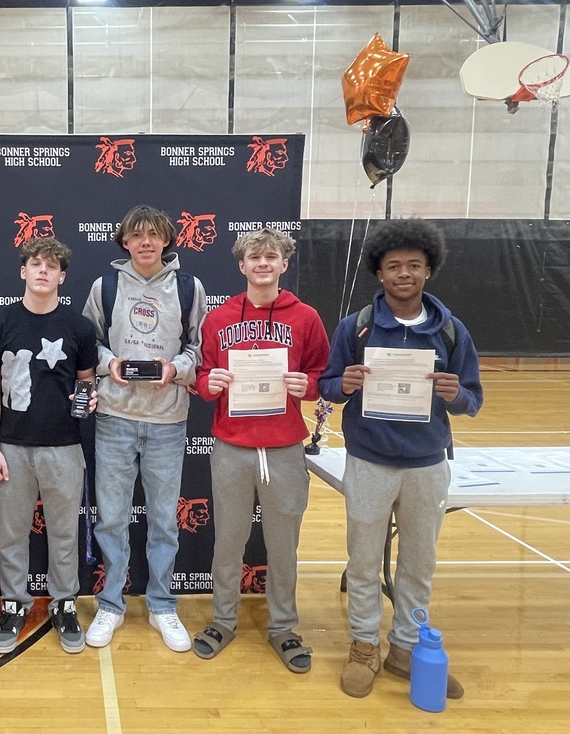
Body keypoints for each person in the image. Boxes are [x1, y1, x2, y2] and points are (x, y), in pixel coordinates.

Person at [319, 218, 482, 700]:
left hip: (428, 464)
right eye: (395, 266)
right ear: (380, 273)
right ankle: (364, 645)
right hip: (369, 461)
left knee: (418, 564)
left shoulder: (451, 330)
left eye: (414, 265)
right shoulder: (357, 327)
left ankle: (406, 649)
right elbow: (327, 386)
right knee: (365, 562)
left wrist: (456, 395)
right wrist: (344, 384)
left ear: (429, 270)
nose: (404, 274)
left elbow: (473, 398)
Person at [193, 227, 329, 671]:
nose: (263, 264)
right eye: (255, 258)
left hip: (285, 447)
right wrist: (207, 384)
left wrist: (306, 385)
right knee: (228, 540)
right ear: (242, 266)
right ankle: (223, 620)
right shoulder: (218, 318)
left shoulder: (305, 317)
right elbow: (203, 378)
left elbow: (323, 378)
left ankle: (284, 627)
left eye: (271, 256)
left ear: (283, 264)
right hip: (232, 446)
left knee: (282, 543)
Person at [81, 204, 208, 652]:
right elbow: (88, 343)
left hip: (168, 421)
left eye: (154, 234)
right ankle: (111, 605)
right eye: (137, 235)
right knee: (111, 519)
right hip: (115, 417)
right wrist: (108, 363)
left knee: (162, 520)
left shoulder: (190, 287)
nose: (146, 242)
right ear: (125, 242)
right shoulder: (106, 285)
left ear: (167, 239)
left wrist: (174, 368)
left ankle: (161, 605)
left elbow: (199, 349)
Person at [0, 237, 98, 655]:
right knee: (11, 534)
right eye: (35, 263)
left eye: (51, 265)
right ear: (23, 271)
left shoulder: (80, 327)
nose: (43, 270)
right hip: (11, 445)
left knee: (63, 533)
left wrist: (89, 399)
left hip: (64, 446)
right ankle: (14, 604)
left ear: (62, 276)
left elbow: (86, 382)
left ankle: (64, 603)